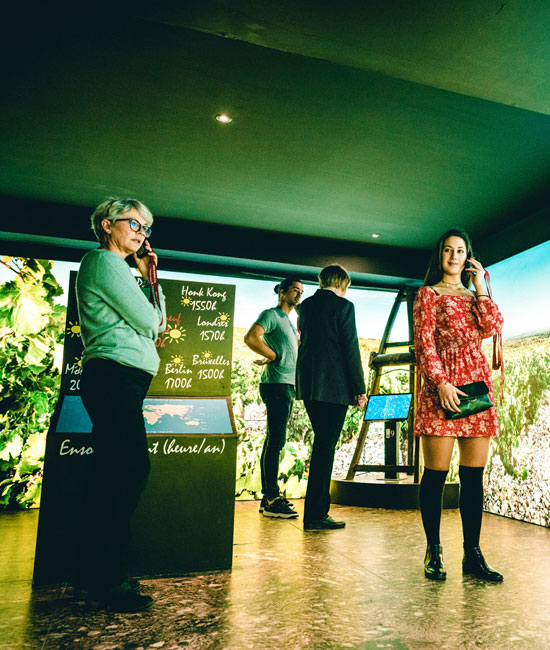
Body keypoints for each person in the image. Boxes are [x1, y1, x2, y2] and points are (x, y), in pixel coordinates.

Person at [75, 197, 166, 611]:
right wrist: (147, 290)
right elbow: (150, 323)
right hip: (114, 375)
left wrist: (150, 275)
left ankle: (98, 573)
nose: (141, 232)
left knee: (114, 473)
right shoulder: (103, 262)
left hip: (122, 378)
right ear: (108, 224)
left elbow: (157, 321)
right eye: (135, 224)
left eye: (146, 228)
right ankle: (108, 581)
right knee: (128, 471)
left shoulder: (127, 270)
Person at [414, 227, 503, 582]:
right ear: (440, 255)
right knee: (436, 475)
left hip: (476, 388)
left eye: (461, 251)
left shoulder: (473, 295)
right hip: (443, 388)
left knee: (472, 476)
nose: (454, 256)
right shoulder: (427, 294)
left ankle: (473, 555)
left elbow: (493, 325)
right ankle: (433, 550)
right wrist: (441, 383)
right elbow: (423, 344)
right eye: (448, 250)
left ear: (469, 257)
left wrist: (480, 285)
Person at [297, 264, 366, 530]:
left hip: (311, 387)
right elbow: (350, 348)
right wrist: (359, 388)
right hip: (335, 389)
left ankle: (315, 512)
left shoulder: (306, 307)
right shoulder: (344, 306)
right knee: (325, 449)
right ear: (343, 283)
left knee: (322, 447)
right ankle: (316, 515)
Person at [244, 278, 304, 518]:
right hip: (276, 385)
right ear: (281, 292)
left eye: (301, 291)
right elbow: (251, 338)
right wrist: (273, 355)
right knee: (277, 440)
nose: (298, 294)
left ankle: (269, 496)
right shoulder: (271, 314)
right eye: (294, 290)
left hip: (286, 386)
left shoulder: (289, 321)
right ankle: (271, 498)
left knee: (274, 440)